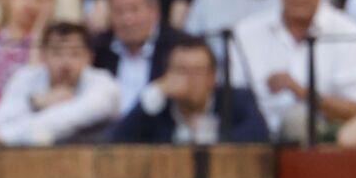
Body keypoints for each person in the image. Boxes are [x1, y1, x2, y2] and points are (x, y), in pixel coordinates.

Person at [229, 0, 356, 138]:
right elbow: (230, 101)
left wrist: (302, 92)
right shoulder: (246, 32)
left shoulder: (350, 33)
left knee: (298, 120)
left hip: (327, 145)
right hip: (257, 142)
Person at [0, 21, 122, 144]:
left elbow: (67, 119)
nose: (66, 63)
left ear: (89, 58)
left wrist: (8, 136)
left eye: (75, 54)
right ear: (43, 56)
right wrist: (34, 102)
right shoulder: (26, 77)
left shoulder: (104, 84)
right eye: (57, 53)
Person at [108, 35, 271, 142]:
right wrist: (154, 93)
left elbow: (259, 132)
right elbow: (117, 139)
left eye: (198, 71)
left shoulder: (235, 99)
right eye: (181, 71)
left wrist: (208, 137)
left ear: (212, 77)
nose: (189, 79)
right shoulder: (159, 108)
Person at [91, 0, 202, 113]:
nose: (127, 20)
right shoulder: (98, 50)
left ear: (154, 10)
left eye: (134, 9)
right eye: (119, 11)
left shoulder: (179, 47)